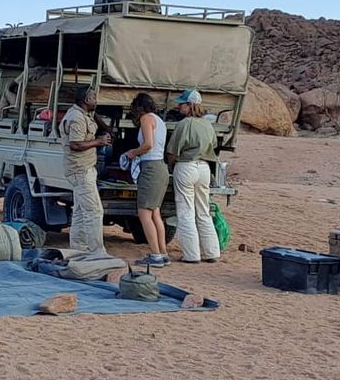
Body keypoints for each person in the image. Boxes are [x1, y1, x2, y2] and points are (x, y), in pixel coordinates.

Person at [165, 89, 221, 264]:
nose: (179, 106)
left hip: (186, 166)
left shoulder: (184, 124)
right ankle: (212, 252)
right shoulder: (207, 125)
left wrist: (171, 165)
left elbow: (173, 151)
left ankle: (191, 255)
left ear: (190, 105)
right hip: (204, 168)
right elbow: (214, 144)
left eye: (182, 103)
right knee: (203, 211)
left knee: (186, 212)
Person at [59, 83, 110, 255]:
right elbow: (75, 144)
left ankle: (78, 248)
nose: (96, 100)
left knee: (81, 211)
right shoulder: (76, 117)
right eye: (93, 97)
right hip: (80, 170)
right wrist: (99, 142)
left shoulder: (83, 114)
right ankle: (97, 252)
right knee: (94, 211)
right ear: (86, 99)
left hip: (83, 169)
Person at [119, 92, 169, 266]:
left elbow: (148, 144)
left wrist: (132, 153)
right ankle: (162, 252)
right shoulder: (159, 120)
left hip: (151, 168)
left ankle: (155, 255)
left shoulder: (146, 119)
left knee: (144, 213)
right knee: (155, 212)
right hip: (160, 167)